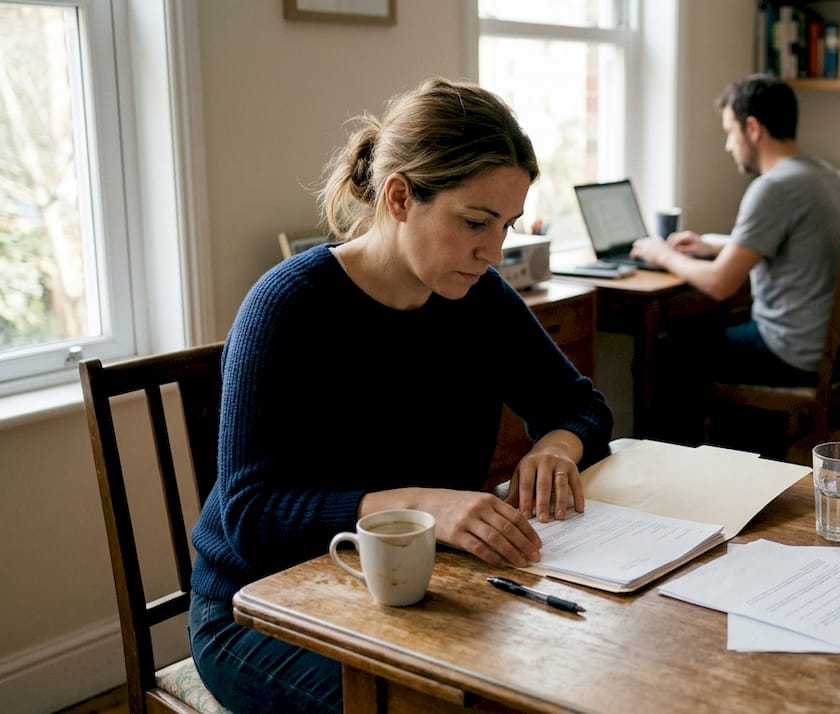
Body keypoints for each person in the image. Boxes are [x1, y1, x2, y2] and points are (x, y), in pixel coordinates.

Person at [187, 77, 613, 714]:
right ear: (400, 196)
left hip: (417, 589)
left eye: (507, 226)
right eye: (475, 222)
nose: (493, 253)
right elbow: (251, 517)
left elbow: (580, 405)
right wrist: (420, 506)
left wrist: (555, 446)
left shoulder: (478, 298)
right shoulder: (287, 308)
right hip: (261, 612)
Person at [629, 73, 840, 446]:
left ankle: (673, 475)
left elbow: (719, 283)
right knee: (699, 337)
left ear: (753, 128)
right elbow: (792, 243)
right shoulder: (823, 176)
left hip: (788, 350)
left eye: (730, 132)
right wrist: (714, 245)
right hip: (828, 347)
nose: (729, 145)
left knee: (667, 355)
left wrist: (661, 252)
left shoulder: (774, 187)